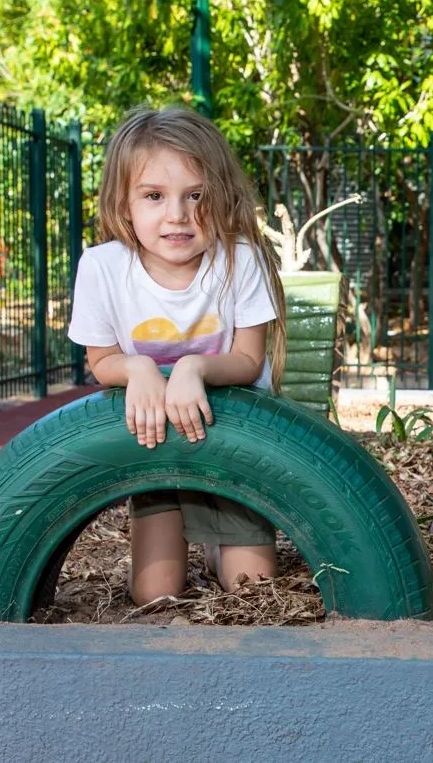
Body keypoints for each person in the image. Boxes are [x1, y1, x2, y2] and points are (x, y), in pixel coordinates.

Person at [67, 105, 288, 604]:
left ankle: (216, 545)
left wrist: (193, 366)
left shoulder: (240, 260)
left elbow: (249, 360)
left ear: (221, 196)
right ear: (124, 205)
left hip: (234, 439)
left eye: (196, 196)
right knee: (154, 595)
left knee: (252, 590)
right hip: (158, 443)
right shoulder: (102, 268)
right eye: (154, 196)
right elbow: (101, 361)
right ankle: (182, 537)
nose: (178, 215)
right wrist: (138, 367)